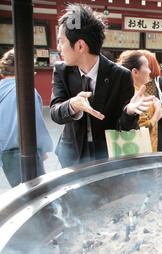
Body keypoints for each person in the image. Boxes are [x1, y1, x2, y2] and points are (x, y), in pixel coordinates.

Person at [50, 3, 153, 168]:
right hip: (72, 155)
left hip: (107, 155)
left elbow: (123, 127)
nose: (58, 48)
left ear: (80, 46)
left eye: (61, 42)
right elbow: (55, 112)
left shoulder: (120, 75)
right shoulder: (61, 71)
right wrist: (72, 105)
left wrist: (129, 111)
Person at [0, 49, 53, 187]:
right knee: (38, 193)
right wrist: (42, 149)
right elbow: (35, 123)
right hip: (26, 152)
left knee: (19, 191)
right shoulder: (27, 91)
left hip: (5, 154)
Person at [116, 50, 162, 152]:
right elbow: (138, 130)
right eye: (146, 67)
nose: (149, 71)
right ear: (135, 72)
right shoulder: (135, 96)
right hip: (137, 152)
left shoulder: (125, 90)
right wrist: (156, 115)